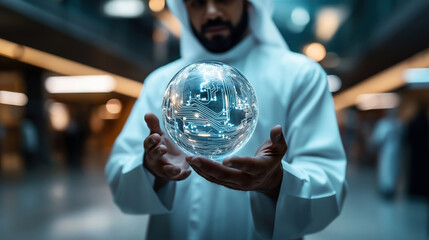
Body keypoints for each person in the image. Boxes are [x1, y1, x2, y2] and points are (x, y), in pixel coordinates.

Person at [105, 0, 347, 239]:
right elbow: (119, 177)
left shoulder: (299, 75)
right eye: (197, 3)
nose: (211, 13)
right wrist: (150, 169)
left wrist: (275, 183)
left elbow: (329, 185)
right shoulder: (162, 83)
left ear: (249, 4)